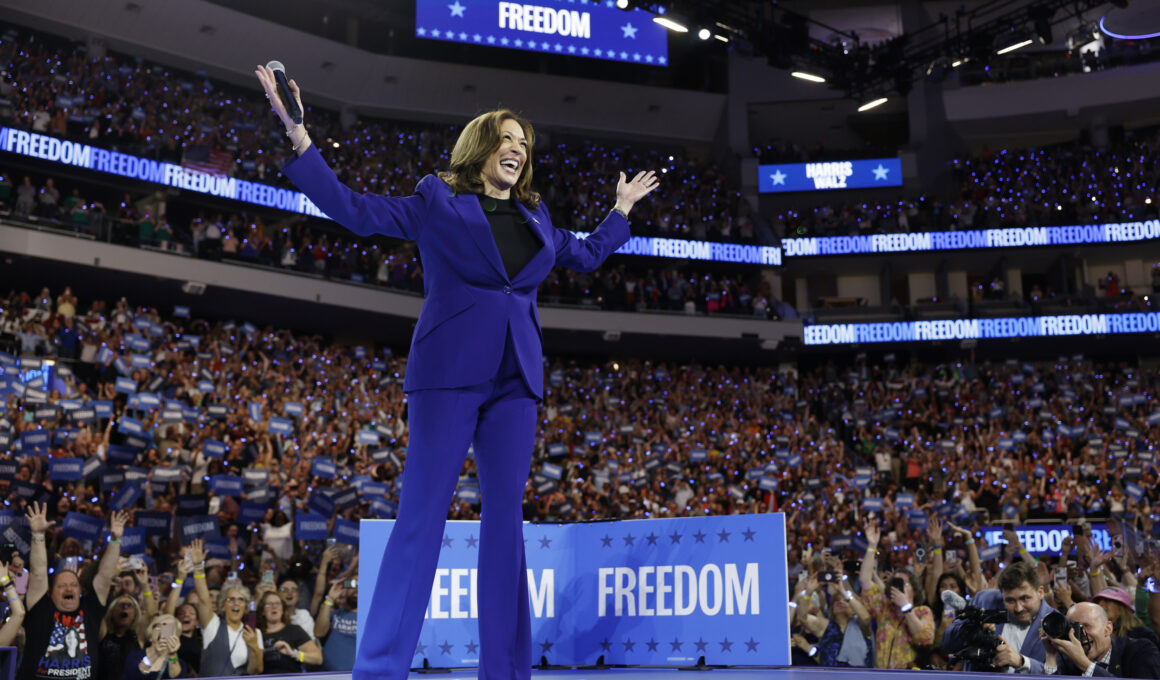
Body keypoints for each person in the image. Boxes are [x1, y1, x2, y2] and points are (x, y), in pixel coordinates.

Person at [254, 66, 658, 680]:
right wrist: (301, 141)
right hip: (447, 374)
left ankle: (506, 670)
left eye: (524, 143)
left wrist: (621, 210)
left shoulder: (538, 216)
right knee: (421, 516)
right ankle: (382, 668)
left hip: (517, 381)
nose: (518, 149)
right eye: (507, 139)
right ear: (482, 147)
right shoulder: (437, 199)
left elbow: (587, 254)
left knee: (506, 525)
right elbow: (357, 211)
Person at [17, 503, 129, 680]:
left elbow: (105, 575)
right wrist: (38, 535)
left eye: (73, 585)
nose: (69, 588)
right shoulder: (41, 609)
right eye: (61, 586)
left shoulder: (89, 609)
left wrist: (115, 540)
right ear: (51, 593)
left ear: (80, 590)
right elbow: (38, 574)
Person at [943, 560, 1056, 673]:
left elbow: (1058, 673)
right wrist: (971, 630)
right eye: (1010, 600)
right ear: (1002, 594)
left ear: (1040, 592)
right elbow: (947, 643)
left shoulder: (1056, 621)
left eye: (1025, 598)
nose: (1018, 608)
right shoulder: (985, 600)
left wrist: (1022, 662)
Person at [859, 523, 936, 668]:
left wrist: (906, 607)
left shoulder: (923, 612)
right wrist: (872, 545)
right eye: (896, 584)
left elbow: (925, 638)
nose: (899, 588)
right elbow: (864, 581)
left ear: (914, 590)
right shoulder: (884, 609)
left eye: (904, 584)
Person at [187, 540, 263, 675]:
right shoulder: (213, 625)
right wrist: (198, 566)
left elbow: (255, 671)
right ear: (223, 605)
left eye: (241, 600)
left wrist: (255, 647)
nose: (236, 603)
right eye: (231, 599)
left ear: (245, 606)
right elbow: (204, 600)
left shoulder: (254, 633)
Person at [1040, 601, 1160, 678]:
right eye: (1073, 628)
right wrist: (1051, 655)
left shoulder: (1140, 650)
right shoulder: (1066, 657)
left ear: (1108, 628)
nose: (1080, 633)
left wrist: (1085, 665)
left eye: (1086, 626)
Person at [257, 590, 321, 673]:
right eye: (269, 604)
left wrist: (294, 654)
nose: (274, 607)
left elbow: (318, 658)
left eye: (278, 603)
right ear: (262, 611)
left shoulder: (294, 630)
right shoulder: (257, 634)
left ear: (283, 609)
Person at [123, 614, 192, 679]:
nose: (163, 630)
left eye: (170, 628)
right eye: (159, 626)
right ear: (151, 633)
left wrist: (173, 654)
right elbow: (134, 675)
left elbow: (176, 677)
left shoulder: (180, 663)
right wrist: (155, 654)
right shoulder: (135, 656)